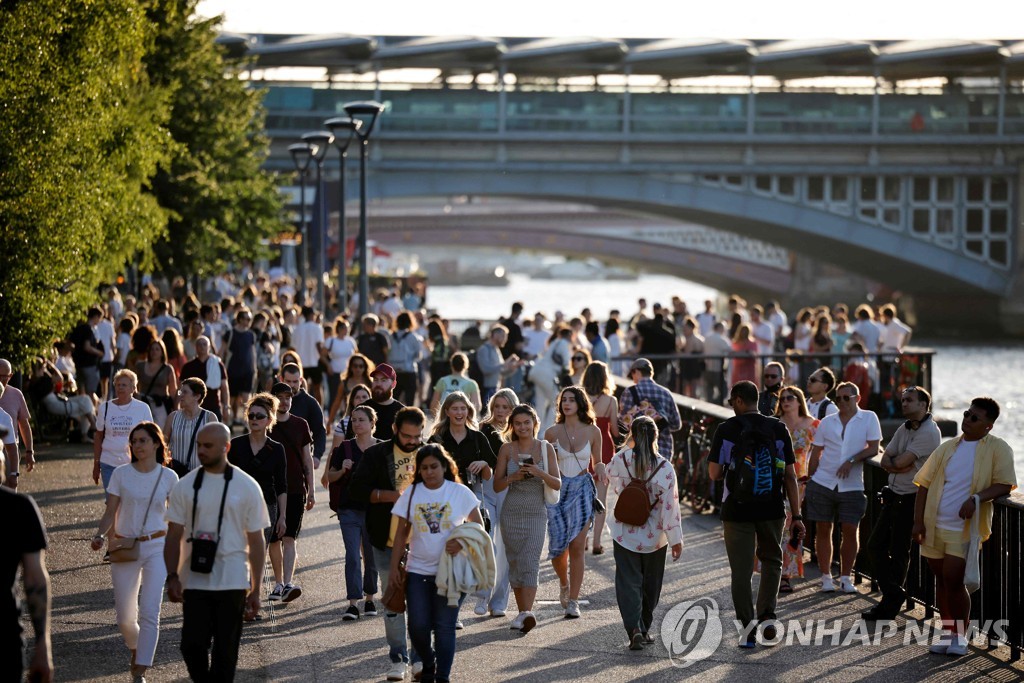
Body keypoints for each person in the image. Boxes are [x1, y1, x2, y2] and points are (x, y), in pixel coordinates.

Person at [164, 423, 269, 682]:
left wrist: (255, 589)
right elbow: (173, 535)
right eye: (199, 445)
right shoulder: (186, 485)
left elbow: (256, 542)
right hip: (195, 578)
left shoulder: (247, 486)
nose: (201, 450)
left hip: (233, 579)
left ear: (226, 447)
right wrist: (172, 577)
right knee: (191, 645)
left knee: (226, 652)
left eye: (208, 446)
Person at [912, 397, 1016, 656]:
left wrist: (976, 498)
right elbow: (923, 484)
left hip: (964, 528)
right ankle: (948, 634)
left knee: (954, 580)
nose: (967, 420)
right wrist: (917, 523)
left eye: (974, 418)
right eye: (967, 414)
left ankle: (960, 636)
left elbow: (1004, 484)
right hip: (934, 524)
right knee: (941, 581)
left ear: (988, 426)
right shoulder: (948, 447)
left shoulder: (997, 448)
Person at [707, 381, 803, 647]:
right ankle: (768, 616)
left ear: (738, 400)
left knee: (741, 570)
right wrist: (797, 515)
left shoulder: (726, 429)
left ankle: (748, 630)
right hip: (772, 507)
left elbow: (714, 473)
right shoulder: (778, 428)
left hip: (736, 509)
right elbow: (790, 475)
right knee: (772, 561)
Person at [390, 445, 486, 683]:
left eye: (434, 466)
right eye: (424, 468)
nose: (430, 472)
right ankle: (429, 662)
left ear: (445, 466)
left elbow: (478, 526)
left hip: (452, 572)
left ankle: (442, 677)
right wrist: (394, 569)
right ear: (418, 470)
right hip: (417, 571)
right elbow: (401, 534)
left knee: (444, 627)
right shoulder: (412, 494)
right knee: (417, 626)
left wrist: (462, 543)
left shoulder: (459, 492)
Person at [90, 422, 178, 682]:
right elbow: (110, 511)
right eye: (134, 441)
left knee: (150, 611)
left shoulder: (168, 477)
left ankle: (140, 669)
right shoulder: (120, 474)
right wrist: (99, 534)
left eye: (142, 440)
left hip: (157, 546)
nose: (137, 445)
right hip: (125, 546)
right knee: (125, 618)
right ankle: (136, 648)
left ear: (156, 444)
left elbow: (176, 520)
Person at [347, 407, 426, 681]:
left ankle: (419, 659)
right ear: (394, 430)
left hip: (423, 543)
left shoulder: (430, 454)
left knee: (419, 604)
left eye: (417, 436)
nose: (412, 441)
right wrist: (391, 495)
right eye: (407, 436)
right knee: (393, 601)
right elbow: (356, 491)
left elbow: (450, 486)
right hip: (384, 540)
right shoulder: (376, 455)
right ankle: (398, 659)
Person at [863, 386, 940, 621]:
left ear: (923, 405)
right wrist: (897, 464)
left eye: (909, 400)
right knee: (875, 545)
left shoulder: (929, 432)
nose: (904, 403)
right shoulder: (903, 427)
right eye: (903, 399)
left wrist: (898, 463)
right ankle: (895, 594)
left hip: (912, 498)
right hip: (894, 493)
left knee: (899, 551)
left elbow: (901, 460)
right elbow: (886, 458)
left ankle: (889, 605)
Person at [607, 416, 683, 650]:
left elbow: (611, 478)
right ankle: (644, 626)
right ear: (655, 437)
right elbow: (671, 507)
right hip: (654, 536)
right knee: (651, 584)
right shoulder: (665, 468)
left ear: (632, 434)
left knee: (628, 581)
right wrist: (675, 540)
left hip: (625, 531)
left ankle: (634, 628)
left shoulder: (621, 459)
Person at [806, 381, 882, 593]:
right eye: (838, 398)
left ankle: (846, 577)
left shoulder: (868, 418)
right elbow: (816, 451)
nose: (841, 401)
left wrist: (851, 460)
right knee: (823, 529)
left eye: (845, 397)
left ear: (857, 398)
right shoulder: (827, 422)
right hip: (823, 481)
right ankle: (826, 577)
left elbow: (874, 448)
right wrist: (810, 477)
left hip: (852, 484)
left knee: (850, 529)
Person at [428, 392, 496, 619]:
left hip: (469, 503)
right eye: (454, 409)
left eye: (463, 408)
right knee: (444, 554)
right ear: (446, 412)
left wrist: (484, 462)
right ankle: (450, 611)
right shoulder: (437, 439)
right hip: (441, 503)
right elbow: (424, 467)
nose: (459, 413)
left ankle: (456, 607)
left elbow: (490, 475)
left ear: (468, 411)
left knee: (465, 555)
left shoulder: (478, 438)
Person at [493, 404, 561, 633]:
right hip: (511, 511)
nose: (523, 427)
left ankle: (525, 612)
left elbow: (558, 483)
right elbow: (496, 484)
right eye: (518, 423)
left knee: (530, 561)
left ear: (534, 424)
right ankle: (523, 613)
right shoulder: (506, 449)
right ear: (512, 426)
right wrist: (514, 476)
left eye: (526, 422)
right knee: (515, 562)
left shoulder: (545, 448)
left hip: (536, 512)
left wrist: (538, 472)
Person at [543, 386, 605, 619]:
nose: (567, 403)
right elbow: (544, 464)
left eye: (572, 400)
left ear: (580, 403)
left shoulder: (593, 431)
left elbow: (597, 461)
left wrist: (601, 468)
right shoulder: (551, 433)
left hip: (581, 489)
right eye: (564, 400)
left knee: (578, 547)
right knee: (558, 550)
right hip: (557, 490)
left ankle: (574, 601)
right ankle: (563, 582)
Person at [227, 393, 287, 593]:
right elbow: (227, 478)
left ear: (269, 420)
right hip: (238, 505)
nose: (254, 419)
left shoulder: (276, 449)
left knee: (258, 550)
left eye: (259, 416)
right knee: (240, 550)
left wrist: (282, 517)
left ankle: (253, 596)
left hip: (266, 506)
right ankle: (242, 593)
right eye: (251, 415)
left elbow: (281, 486)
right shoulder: (235, 445)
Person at [326, 405, 380, 620]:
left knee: (371, 556)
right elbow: (330, 477)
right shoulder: (345, 448)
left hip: (374, 511)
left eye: (361, 420)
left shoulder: (382, 448)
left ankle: (370, 599)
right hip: (348, 510)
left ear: (372, 423)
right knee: (352, 556)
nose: (357, 423)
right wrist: (342, 469)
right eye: (354, 420)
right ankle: (352, 603)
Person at [1, 459, 52, 683]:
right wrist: (42, 645)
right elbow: (34, 579)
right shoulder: (18, 506)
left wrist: (42, 645)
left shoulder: (19, 507)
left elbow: (35, 580)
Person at [266, 382, 315, 604]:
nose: (285, 401)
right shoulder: (266, 424)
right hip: (270, 489)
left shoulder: (300, 425)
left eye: (289, 397)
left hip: (295, 488)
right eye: (281, 397)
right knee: (273, 539)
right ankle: (277, 583)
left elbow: (306, 459)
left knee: (289, 538)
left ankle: (286, 583)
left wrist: (312, 490)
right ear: (273, 399)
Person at [477, 389, 517, 618]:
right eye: (497, 407)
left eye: (505, 407)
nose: (500, 412)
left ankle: (499, 601)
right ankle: (483, 595)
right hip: (485, 489)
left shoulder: (518, 429)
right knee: (488, 542)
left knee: (504, 546)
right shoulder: (483, 429)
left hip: (509, 491)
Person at [775, 386, 819, 593]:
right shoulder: (774, 425)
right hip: (775, 482)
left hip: (799, 483)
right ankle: (775, 571)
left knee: (793, 527)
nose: (785, 401)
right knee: (777, 527)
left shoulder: (812, 426)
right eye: (782, 398)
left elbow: (826, 450)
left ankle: (786, 574)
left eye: (790, 397)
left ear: (800, 400)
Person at [94, 370, 153, 494]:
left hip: (134, 464)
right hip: (108, 463)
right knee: (112, 503)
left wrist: (150, 462)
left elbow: (150, 436)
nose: (120, 387)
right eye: (118, 385)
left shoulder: (143, 408)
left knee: (130, 501)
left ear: (133, 388)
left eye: (124, 385)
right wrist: (96, 464)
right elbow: (98, 436)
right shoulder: (104, 408)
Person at [583, 362, 618, 554]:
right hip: (604, 447)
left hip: (585, 447)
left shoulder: (581, 398)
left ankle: (585, 539)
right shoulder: (611, 401)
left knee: (585, 496)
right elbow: (614, 429)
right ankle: (597, 542)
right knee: (601, 497)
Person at [618, 358, 682, 459]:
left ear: (637, 372)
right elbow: (676, 425)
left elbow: (623, 424)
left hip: (638, 451)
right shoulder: (666, 393)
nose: (632, 378)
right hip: (663, 451)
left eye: (632, 374)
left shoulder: (629, 392)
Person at [163, 378, 217, 475]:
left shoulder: (209, 417)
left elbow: (216, 447)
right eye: (180, 392)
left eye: (185, 392)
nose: (181, 396)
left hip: (200, 474)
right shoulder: (173, 417)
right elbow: (163, 445)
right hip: (176, 473)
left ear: (197, 396)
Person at [278, 363, 327, 469]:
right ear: (281, 379)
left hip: (300, 459)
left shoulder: (310, 403)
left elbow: (320, 432)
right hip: (276, 459)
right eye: (288, 381)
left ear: (300, 380)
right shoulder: (272, 401)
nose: (292, 385)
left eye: (295, 381)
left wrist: (317, 456)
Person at [180, 337, 232, 422]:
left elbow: (224, 388)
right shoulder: (188, 367)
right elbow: (181, 388)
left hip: (213, 407)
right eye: (199, 344)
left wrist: (226, 407)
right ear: (195, 347)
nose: (202, 346)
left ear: (209, 347)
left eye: (204, 344)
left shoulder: (217, 364)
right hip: (192, 408)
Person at [352, 363, 405, 442]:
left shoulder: (402, 412)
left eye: (383, 380)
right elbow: (349, 442)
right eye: (376, 380)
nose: (378, 384)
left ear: (393, 384)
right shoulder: (361, 409)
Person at [223, 309, 258, 425]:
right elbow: (222, 351)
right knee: (232, 397)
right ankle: (231, 419)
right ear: (240, 319)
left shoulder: (251, 334)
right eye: (247, 319)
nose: (249, 321)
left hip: (247, 370)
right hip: (232, 370)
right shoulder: (230, 333)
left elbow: (253, 352)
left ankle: (245, 421)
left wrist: (254, 368)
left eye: (250, 319)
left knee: (246, 397)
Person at [476, 324, 520, 406]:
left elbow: (501, 372)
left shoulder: (496, 349)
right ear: (495, 335)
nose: (505, 339)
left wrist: (512, 368)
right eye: (503, 336)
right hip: (486, 389)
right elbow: (486, 370)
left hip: (495, 389)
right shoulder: (484, 349)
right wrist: (505, 364)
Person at [1, 359, 36, 460]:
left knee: (11, 475)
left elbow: (24, 425)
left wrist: (29, 451)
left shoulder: (16, 394)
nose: (0, 380)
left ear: (10, 376)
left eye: (5, 377)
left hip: (10, 450)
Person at [388, 311, 424, 407]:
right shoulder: (413, 337)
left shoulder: (391, 336)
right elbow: (418, 355)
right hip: (409, 371)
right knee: (410, 400)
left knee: (393, 399)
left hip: (394, 371)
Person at [328, 353, 375, 426]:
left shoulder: (370, 383)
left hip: (368, 419)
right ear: (351, 367)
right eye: (355, 366)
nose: (358, 369)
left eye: (361, 366)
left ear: (365, 367)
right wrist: (329, 422)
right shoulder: (344, 383)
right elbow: (336, 403)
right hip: (349, 419)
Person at [291, 306, 325, 405]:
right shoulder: (317, 327)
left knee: (302, 389)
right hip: (315, 363)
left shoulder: (297, 329)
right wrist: (326, 363)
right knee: (317, 388)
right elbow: (319, 346)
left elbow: (293, 348)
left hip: (301, 364)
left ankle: (302, 409)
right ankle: (320, 410)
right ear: (311, 315)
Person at [323, 317, 357, 412]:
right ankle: (331, 418)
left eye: (348, 328)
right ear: (339, 329)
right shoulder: (331, 340)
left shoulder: (351, 341)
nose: (347, 330)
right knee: (334, 396)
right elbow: (323, 356)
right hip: (335, 372)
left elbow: (356, 355)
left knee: (348, 397)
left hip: (347, 373)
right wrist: (328, 366)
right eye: (345, 328)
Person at [331, 383, 371, 452]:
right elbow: (334, 452)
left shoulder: (378, 420)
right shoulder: (343, 424)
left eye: (364, 397)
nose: (361, 399)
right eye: (357, 397)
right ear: (352, 401)